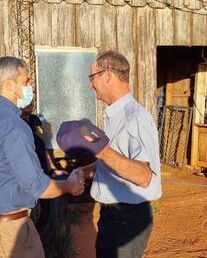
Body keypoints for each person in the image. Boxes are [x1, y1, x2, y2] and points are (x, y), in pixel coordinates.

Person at [0, 56, 85, 258]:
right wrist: (69, 184)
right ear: (8, 84)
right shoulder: (14, 125)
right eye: (26, 81)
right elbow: (36, 186)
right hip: (9, 231)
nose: (30, 86)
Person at [77, 50, 162, 257]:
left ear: (107, 75)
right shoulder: (115, 115)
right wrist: (85, 171)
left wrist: (100, 149)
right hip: (114, 216)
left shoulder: (136, 118)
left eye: (92, 77)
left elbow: (143, 176)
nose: (91, 84)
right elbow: (116, 162)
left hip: (127, 219)